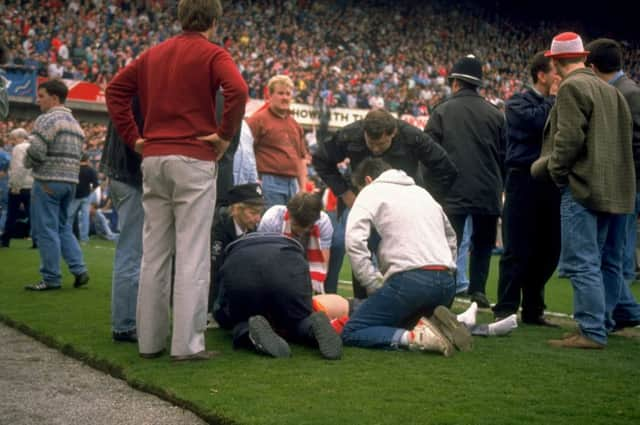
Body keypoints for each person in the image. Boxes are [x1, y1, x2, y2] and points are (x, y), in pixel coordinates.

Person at [105, 0, 248, 361]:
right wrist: (225, 135)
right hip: (194, 157)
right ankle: (186, 344)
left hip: (154, 157)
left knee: (153, 253)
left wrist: (134, 136)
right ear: (214, 20)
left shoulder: (154, 54)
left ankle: (149, 341)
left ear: (181, 17)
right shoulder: (213, 54)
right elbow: (238, 90)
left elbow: (115, 91)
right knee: (192, 253)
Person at [531, 32, 635, 349]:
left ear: (554, 59)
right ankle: (600, 324)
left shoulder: (573, 86)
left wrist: (556, 173)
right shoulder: (610, 90)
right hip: (613, 187)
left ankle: (590, 331)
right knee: (606, 261)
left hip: (582, 186)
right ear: (583, 57)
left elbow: (568, 141)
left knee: (582, 261)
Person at [312, 108, 458, 299]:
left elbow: (446, 168)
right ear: (363, 132)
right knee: (343, 242)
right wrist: (345, 193)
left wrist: (425, 199)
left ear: (393, 133)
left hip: (401, 206)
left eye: (381, 144)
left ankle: (401, 298)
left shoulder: (412, 137)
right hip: (361, 199)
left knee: (399, 253)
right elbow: (321, 159)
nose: (375, 149)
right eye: (370, 143)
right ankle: (344, 298)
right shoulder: (350, 134)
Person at [342, 158, 471, 356]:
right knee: (403, 319)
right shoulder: (422, 193)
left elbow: (353, 241)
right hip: (445, 283)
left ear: (367, 180)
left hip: (409, 282)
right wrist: (450, 266)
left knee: (353, 330)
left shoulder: (370, 191)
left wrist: (371, 282)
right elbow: (451, 236)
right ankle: (437, 326)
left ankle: (415, 337)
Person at [424, 54, 506, 309]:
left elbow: (429, 155)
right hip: (487, 190)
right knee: (483, 244)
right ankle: (478, 291)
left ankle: (447, 291)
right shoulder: (496, 114)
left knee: (450, 243)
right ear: (477, 84)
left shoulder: (442, 111)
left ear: (456, 83)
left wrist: (434, 190)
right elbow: (505, 156)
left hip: (452, 191)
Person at [492, 52, 561, 326]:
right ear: (541, 75)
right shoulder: (518, 102)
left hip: (551, 181)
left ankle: (534, 309)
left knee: (548, 248)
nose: (560, 74)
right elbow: (536, 124)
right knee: (517, 246)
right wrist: (555, 99)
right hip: (523, 180)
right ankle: (506, 307)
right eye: (555, 70)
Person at [214, 232, 343, 360]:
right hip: (289, 262)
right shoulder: (290, 243)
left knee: (240, 321)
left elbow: (222, 305)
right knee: (298, 319)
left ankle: (248, 332)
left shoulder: (232, 251)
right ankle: (311, 327)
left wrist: (227, 319)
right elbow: (305, 292)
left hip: (241, 267)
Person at [584, 38, 640, 331]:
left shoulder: (628, 93)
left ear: (592, 67)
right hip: (621, 184)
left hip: (625, 186)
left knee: (612, 252)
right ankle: (627, 311)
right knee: (610, 252)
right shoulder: (622, 90)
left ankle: (605, 317)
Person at [23, 79, 89, 291]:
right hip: (70, 182)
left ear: (54, 98)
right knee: (63, 228)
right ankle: (79, 269)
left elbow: (37, 152)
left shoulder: (46, 119)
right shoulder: (75, 123)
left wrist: (26, 161)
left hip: (48, 181)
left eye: (41, 96)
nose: (38, 100)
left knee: (46, 230)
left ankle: (51, 278)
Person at [100, 97, 144, 343]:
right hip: (130, 179)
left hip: (120, 176)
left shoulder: (125, 96)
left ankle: (128, 319)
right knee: (132, 252)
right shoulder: (137, 99)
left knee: (132, 251)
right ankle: (125, 324)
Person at [245, 75, 306, 208]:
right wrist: (253, 180)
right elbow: (246, 152)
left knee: (289, 227)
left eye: (288, 94)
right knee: (271, 226)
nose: (284, 97)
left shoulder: (295, 125)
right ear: (270, 95)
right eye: (280, 93)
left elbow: (301, 159)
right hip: (268, 181)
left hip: (293, 184)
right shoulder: (257, 120)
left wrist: (303, 188)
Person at [257, 192, 333, 294]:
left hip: (305, 256)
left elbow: (322, 264)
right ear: (289, 213)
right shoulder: (271, 219)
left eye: (307, 227)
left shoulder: (323, 222)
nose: (301, 230)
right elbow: (263, 259)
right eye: (297, 225)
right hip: (276, 256)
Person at [210, 183, 265, 317]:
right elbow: (214, 270)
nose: (258, 219)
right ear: (236, 209)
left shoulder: (251, 228)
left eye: (259, 213)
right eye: (253, 213)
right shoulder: (218, 229)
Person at [1, 129, 33, 247]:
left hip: (19, 186)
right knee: (32, 214)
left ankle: (5, 240)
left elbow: (19, 168)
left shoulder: (18, 149)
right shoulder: (32, 147)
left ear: (18, 138)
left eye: (13, 139)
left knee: (11, 214)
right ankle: (36, 240)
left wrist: (15, 186)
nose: (11, 142)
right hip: (31, 185)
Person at [68, 154, 98, 243]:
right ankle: (84, 238)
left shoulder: (74, 169)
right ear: (87, 159)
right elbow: (96, 184)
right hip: (86, 196)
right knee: (85, 218)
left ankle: (67, 236)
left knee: (70, 217)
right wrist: (90, 191)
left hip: (75, 196)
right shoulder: (91, 170)